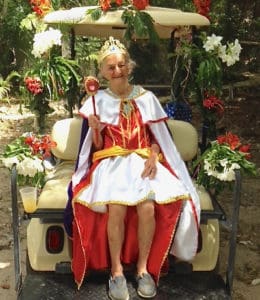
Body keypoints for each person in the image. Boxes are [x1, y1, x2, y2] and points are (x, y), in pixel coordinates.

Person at [65, 36, 200, 300]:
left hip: (143, 161)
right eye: (111, 67)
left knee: (148, 206)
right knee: (115, 207)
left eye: (122, 65)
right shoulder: (98, 100)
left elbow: (160, 138)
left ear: (130, 66)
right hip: (112, 161)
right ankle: (116, 272)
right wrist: (94, 129)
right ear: (102, 72)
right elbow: (96, 146)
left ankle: (143, 270)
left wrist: (154, 156)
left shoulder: (146, 98)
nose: (117, 71)